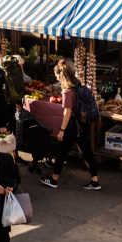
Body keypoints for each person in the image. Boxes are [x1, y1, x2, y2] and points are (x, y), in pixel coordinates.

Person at [40, 60, 100, 191]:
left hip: (72, 125)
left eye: (57, 76)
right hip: (83, 123)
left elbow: (67, 112)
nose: (56, 78)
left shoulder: (67, 92)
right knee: (86, 152)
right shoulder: (79, 86)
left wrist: (62, 130)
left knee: (62, 152)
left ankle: (54, 179)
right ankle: (95, 181)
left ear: (61, 76)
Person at [14, 101, 53, 174]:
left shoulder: (23, 114)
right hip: (33, 133)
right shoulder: (20, 115)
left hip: (32, 133)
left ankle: (37, 161)